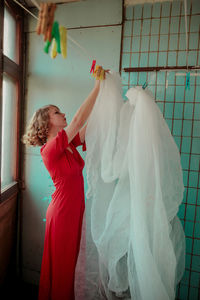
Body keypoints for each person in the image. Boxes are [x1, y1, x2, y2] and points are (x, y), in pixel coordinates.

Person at [22, 66, 106, 300]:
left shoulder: (68, 144)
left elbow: (90, 125)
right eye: (56, 112)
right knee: (63, 267)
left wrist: (107, 98)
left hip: (73, 209)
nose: (63, 114)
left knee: (71, 265)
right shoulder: (50, 149)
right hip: (62, 213)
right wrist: (97, 86)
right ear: (47, 122)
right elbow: (79, 120)